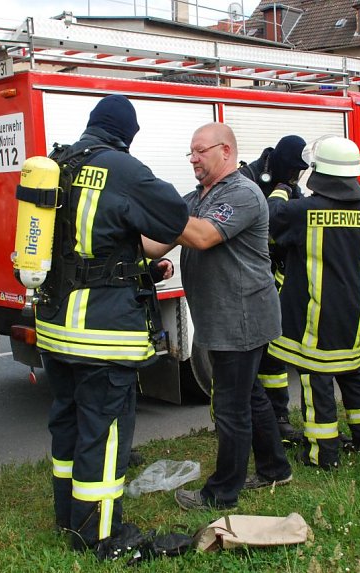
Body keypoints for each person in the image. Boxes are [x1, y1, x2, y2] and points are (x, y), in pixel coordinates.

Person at [35, 95, 188, 550]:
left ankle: (70, 519)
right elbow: (174, 217)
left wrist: (132, 265)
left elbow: (87, 245)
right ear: (127, 134)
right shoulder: (123, 169)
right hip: (101, 332)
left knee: (68, 421)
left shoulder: (57, 162)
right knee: (104, 433)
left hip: (56, 326)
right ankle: (100, 535)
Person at [144, 122, 292, 511]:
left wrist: (158, 205)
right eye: (189, 152)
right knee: (252, 396)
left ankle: (222, 492)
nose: (193, 157)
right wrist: (127, 231)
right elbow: (159, 241)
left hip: (241, 317)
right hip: (221, 316)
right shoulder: (197, 198)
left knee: (231, 406)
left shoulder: (241, 193)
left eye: (200, 150)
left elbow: (203, 236)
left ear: (225, 151)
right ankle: (276, 467)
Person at [266, 136, 360, 470]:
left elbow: (272, 218)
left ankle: (323, 455)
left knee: (317, 382)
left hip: (315, 319)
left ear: (319, 172)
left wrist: (280, 185)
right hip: (355, 319)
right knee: (354, 375)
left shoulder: (303, 211)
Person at [238, 135, 309, 444]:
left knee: (275, 354)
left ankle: (278, 416)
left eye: (300, 173)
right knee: (244, 357)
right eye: (294, 171)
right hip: (246, 281)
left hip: (276, 279)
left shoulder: (291, 184)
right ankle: (237, 417)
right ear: (280, 161)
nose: (296, 178)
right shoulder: (249, 178)